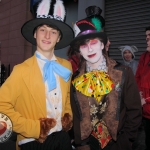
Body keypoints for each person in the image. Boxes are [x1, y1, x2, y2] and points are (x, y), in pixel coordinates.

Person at [0, 0, 74, 150]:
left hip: (62, 137)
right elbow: (2, 107)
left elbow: (66, 96)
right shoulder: (21, 70)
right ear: (35, 33)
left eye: (53, 32)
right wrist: (34, 127)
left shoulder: (66, 66)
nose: (47, 35)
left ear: (58, 38)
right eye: (42, 29)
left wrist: (68, 115)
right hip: (33, 141)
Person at [70, 5, 142, 150]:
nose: (89, 49)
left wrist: (125, 141)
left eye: (94, 42)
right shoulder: (75, 79)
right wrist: (81, 144)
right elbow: (76, 115)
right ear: (79, 51)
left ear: (102, 44)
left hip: (118, 143)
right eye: (84, 45)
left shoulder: (124, 72)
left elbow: (134, 111)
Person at [135, 26, 150, 150]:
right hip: (145, 112)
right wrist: (139, 93)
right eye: (146, 37)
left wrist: (146, 99)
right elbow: (138, 77)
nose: (147, 39)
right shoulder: (144, 57)